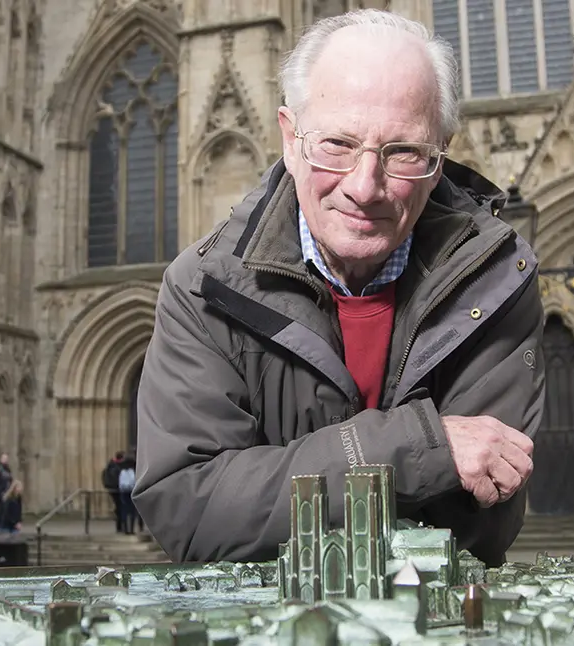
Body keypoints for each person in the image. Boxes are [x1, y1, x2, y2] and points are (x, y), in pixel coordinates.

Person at [133, 9, 545, 566]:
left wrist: (275, 488)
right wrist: (421, 449)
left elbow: (477, 522)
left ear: (441, 152)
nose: (364, 186)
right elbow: (193, 511)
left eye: (403, 152)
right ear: (289, 136)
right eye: (336, 144)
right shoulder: (203, 287)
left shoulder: (497, 279)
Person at [102, 452, 125, 533]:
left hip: (113, 489)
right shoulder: (118, 467)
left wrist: (107, 486)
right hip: (118, 489)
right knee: (121, 507)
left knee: (119, 507)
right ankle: (120, 526)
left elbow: (104, 476)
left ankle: (120, 526)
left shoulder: (110, 465)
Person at [118, 457, 138, 535]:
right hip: (129, 491)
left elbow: (121, 483)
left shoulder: (123, 472)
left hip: (125, 492)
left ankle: (127, 529)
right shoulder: (131, 472)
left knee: (126, 511)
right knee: (130, 511)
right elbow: (133, 481)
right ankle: (129, 529)